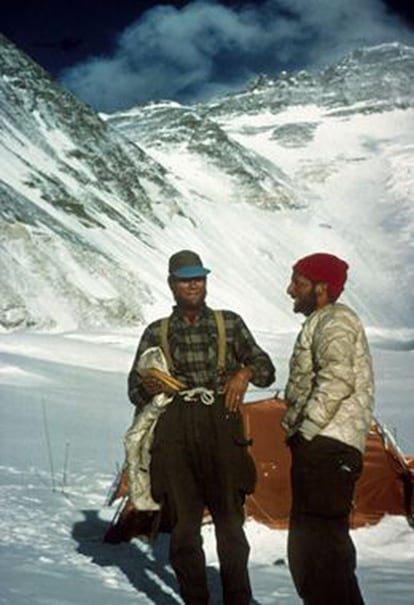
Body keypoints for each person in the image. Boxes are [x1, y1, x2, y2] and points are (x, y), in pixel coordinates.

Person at [128, 249, 275, 605]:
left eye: (198, 277)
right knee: (183, 529)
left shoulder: (230, 323)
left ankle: (237, 599)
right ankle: (195, 600)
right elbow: (133, 390)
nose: (193, 284)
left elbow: (267, 369)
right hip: (174, 429)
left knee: (230, 525)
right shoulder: (156, 331)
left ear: (206, 281)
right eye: (185, 279)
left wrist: (245, 372)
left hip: (221, 424)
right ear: (171, 284)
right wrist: (147, 387)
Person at [282, 252, 375, 605]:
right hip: (326, 446)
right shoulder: (325, 320)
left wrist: (306, 432)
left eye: (298, 283)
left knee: (319, 555)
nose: (290, 290)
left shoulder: (335, 321)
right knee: (318, 554)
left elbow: (338, 377)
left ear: (321, 289)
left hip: (326, 446)